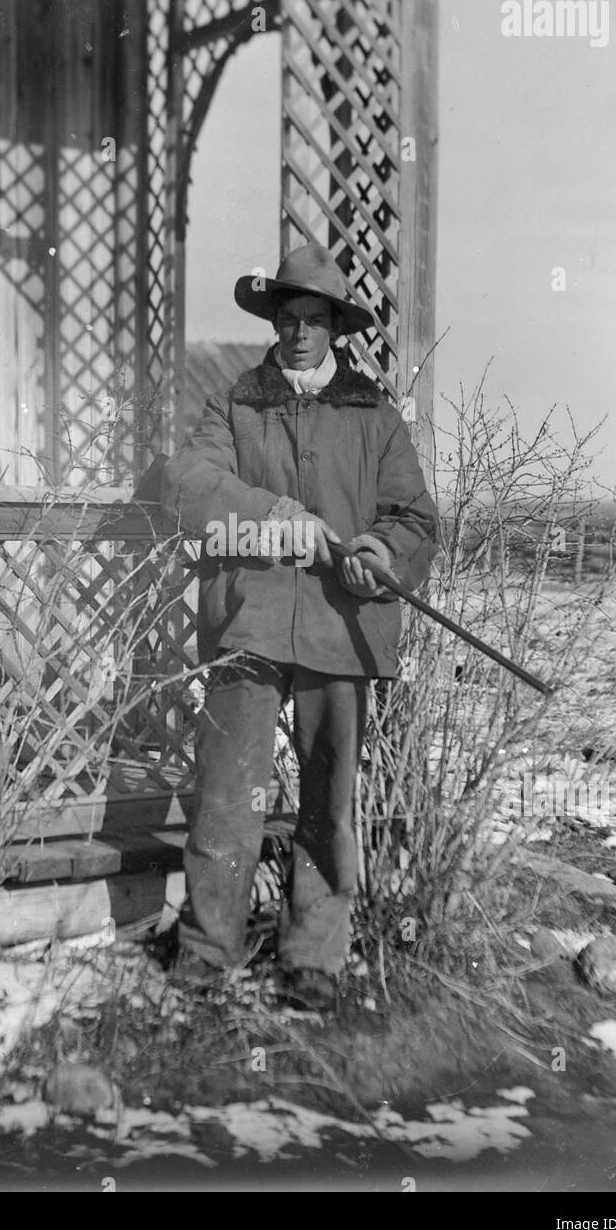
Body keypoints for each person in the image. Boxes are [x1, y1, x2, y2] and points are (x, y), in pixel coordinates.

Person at [160, 243, 439, 1010]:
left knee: (326, 798)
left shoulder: (373, 417)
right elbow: (186, 484)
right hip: (246, 621)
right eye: (287, 319)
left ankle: (312, 958)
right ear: (273, 324)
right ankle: (207, 951)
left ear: (335, 330)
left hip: (336, 628)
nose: (298, 334)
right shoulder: (236, 402)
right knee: (226, 794)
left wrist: (376, 552)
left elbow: (412, 517)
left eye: (313, 321)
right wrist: (274, 516)